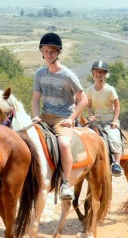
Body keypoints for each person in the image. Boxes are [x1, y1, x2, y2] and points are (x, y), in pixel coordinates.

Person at [32, 32, 88, 201]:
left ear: (58, 53)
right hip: (44, 117)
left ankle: (65, 183)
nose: (49, 55)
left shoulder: (68, 75)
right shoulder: (40, 74)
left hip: (62, 118)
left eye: (52, 52)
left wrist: (71, 119)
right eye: (46, 51)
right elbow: (35, 98)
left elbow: (83, 100)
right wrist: (35, 116)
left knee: (63, 144)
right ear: (42, 52)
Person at [86, 60, 123, 177]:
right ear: (93, 73)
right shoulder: (90, 90)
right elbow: (89, 105)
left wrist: (115, 120)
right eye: (97, 72)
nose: (99, 74)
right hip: (96, 121)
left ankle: (116, 164)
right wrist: (91, 115)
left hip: (109, 121)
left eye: (102, 72)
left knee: (114, 137)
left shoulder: (110, 90)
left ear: (105, 75)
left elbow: (117, 106)